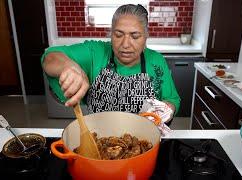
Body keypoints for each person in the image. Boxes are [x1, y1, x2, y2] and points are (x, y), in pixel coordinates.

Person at [41, 4, 181, 123]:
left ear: (146, 36)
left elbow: (172, 99)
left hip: (144, 142)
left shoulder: (156, 60)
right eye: (118, 35)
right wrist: (69, 66)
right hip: (99, 141)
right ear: (110, 34)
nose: (125, 44)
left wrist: (168, 109)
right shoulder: (95, 52)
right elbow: (49, 57)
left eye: (135, 36)